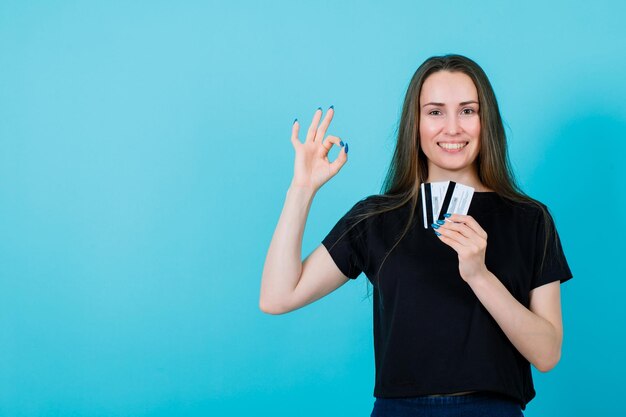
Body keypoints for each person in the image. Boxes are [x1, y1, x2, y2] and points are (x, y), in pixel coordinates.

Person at [259, 54, 573, 417]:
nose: (452, 128)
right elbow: (278, 297)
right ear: (416, 123)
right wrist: (301, 189)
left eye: (468, 111)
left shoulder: (530, 219)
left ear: (486, 121)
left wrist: (479, 275)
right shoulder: (376, 218)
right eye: (435, 112)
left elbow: (547, 353)